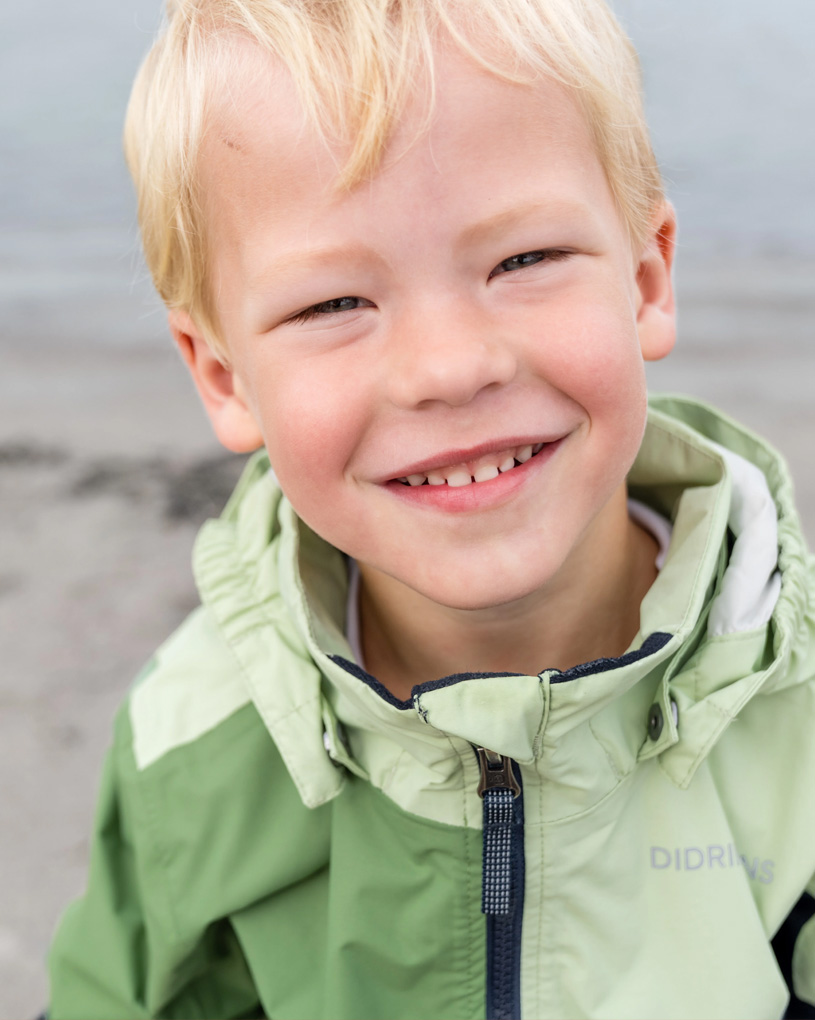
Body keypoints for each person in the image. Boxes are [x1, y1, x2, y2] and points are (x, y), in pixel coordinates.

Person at [46, 0, 815, 1017]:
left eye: (522, 260)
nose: (449, 368)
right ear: (224, 376)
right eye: (333, 305)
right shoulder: (195, 740)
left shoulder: (793, 718)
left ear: (644, 278)